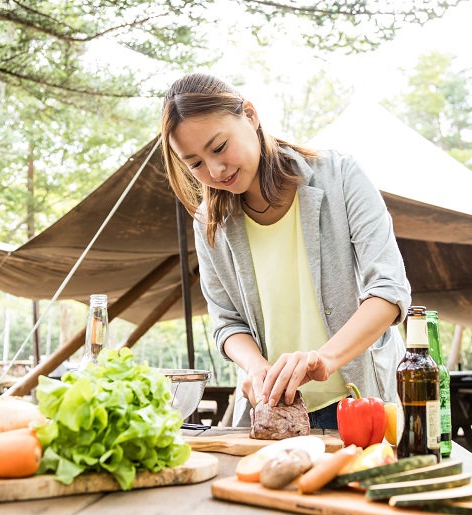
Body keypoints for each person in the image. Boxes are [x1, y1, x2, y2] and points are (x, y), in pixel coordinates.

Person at [161, 72, 411, 429]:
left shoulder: (340, 176)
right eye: (195, 163)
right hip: (272, 413)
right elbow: (227, 322)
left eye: (219, 147)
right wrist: (256, 367)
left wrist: (325, 360)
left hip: (363, 406)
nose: (215, 169)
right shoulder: (209, 222)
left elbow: (389, 290)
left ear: (250, 115)